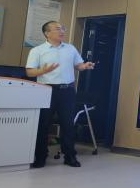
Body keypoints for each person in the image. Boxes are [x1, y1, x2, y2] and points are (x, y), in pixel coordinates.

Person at [26, 21, 95, 168]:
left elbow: (78, 65)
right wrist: (43, 71)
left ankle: (70, 157)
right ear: (47, 33)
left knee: (68, 125)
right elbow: (30, 71)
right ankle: (40, 157)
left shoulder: (70, 48)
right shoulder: (37, 50)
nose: (62, 31)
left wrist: (84, 66)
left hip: (67, 91)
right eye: (57, 29)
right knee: (43, 125)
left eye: (63, 28)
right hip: (46, 90)